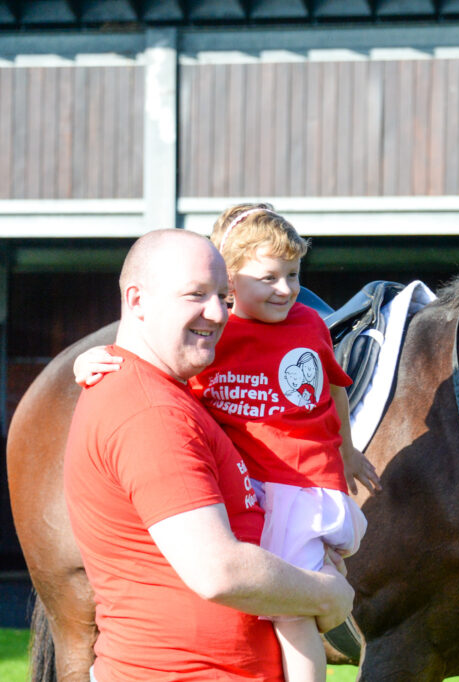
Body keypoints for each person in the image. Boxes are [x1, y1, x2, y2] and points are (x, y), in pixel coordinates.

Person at [75, 205, 382, 682]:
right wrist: (325, 593)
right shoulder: (151, 412)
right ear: (136, 301)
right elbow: (218, 570)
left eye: (221, 295)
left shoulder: (172, 390)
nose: (218, 313)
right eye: (196, 295)